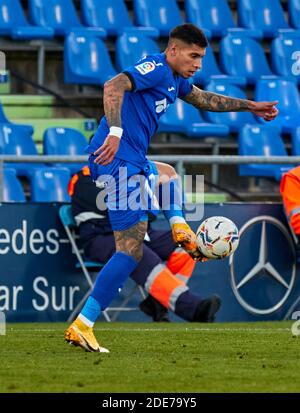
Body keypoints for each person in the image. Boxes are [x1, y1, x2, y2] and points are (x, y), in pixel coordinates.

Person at [65, 23, 278, 353]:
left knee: (166, 175)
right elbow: (113, 85)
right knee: (130, 249)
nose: (198, 64)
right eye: (194, 56)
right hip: (118, 158)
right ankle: (84, 324)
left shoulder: (176, 80)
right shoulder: (156, 67)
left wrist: (251, 106)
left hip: (134, 161)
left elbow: (204, 99)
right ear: (173, 50)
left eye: (202, 58)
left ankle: (179, 226)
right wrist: (116, 132)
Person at [68, 165, 218, 323]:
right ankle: (194, 309)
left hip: (140, 231)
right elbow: (109, 206)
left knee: (185, 244)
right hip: (101, 237)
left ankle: (157, 303)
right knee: (135, 250)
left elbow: (148, 210)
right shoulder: (84, 177)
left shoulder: (129, 173)